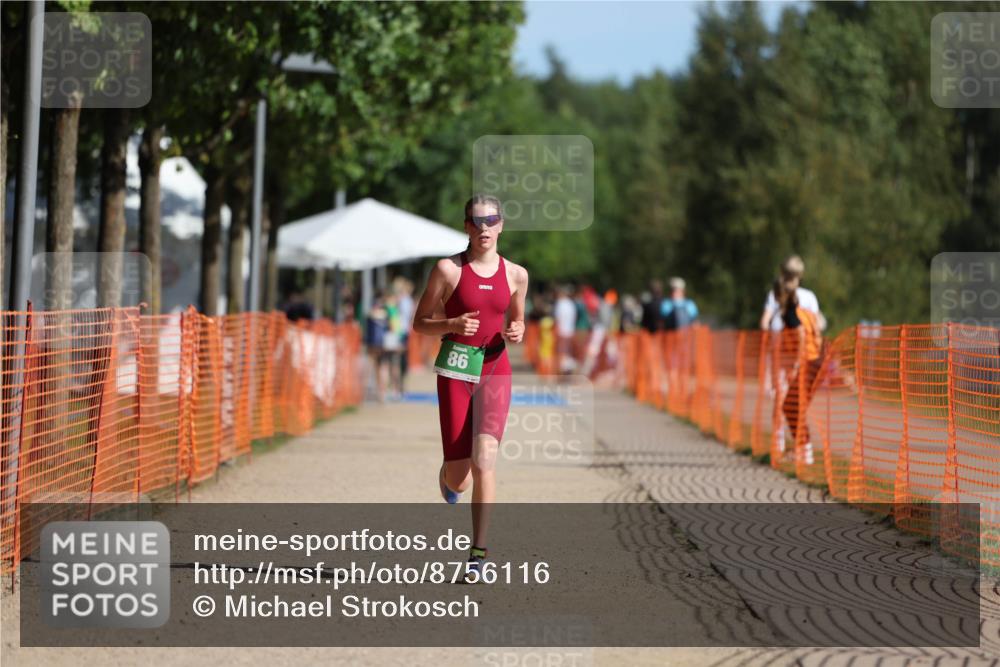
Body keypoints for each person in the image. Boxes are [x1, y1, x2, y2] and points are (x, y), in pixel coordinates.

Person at [412, 194, 529, 582]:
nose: (484, 228)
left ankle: (478, 553)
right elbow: (420, 323)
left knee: (486, 457)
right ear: (466, 226)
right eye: (476, 221)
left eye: (491, 220)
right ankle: (447, 472)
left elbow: (516, 321)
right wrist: (451, 325)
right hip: (456, 369)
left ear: (501, 226)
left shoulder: (516, 275)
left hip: (495, 369)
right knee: (460, 477)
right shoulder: (447, 270)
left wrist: (517, 329)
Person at [774, 277, 823, 465]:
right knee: (793, 407)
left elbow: (801, 335)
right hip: (816, 359)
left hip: (809, 362)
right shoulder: (802, 311)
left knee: (792, 407)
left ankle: (804, 453)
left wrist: (796, 365)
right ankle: (802, 451)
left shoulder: (790, 314)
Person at [760, 255, 825, 332]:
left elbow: (764, 323)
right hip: (788, 340)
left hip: (792, 340)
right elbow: (818, 325)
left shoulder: (808, 296)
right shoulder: (775, 293)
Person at [553, 285, 577, 373]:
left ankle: (563, 369)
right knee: (568, 351)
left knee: (561, 351)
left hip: (562, 331)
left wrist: (556, 330)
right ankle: (568, 367)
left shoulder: (560, 303)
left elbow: (558, 318)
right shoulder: (571, 303)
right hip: (570, 330)